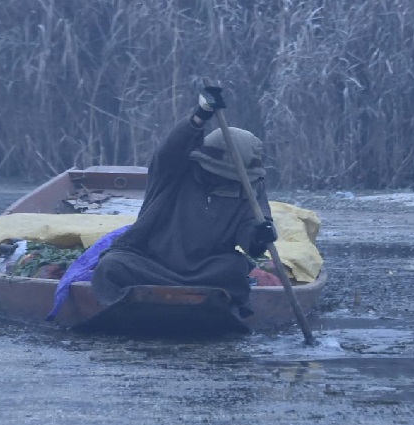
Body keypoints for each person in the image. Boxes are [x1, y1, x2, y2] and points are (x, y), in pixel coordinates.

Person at [90, 86, 278, 313]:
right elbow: (170, 149)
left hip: (205, 269)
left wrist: (261, 234)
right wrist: (200, 115)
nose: (221, 181)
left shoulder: (250, 187)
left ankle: (223, 312)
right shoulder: (174, 171)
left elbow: (252, 228)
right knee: (111, 266)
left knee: (235, 268)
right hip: (152, 262)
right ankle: (120, 310)